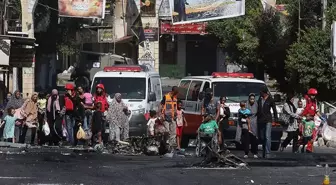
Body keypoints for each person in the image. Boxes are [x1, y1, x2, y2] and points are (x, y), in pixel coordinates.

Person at [257, 87, 278, 159]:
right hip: (260, 120)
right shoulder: (259, 99)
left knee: (267, 136)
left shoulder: (270, 99)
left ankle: (268, 152)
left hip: (268, 120)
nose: (260, 93)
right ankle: (263, 152)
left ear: (264, 92)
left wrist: (276, 118)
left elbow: (274, 110)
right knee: (262, 137)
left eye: (261, 92)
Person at [301, 88, 319, 153]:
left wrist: (321, 117)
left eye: (314, 95)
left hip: (311, 120)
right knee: (304, 135)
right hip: (305, 120)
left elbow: (316, 110)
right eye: (312, 95)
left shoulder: (315, 101)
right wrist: (305, 117)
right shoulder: (304, 100)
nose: (313, 96)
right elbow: (302, 110)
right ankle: (302, 145)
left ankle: (309, 148)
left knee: (312, 135)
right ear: (309, 94)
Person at [161, 86, 179, 150]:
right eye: (176, 92)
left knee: (173, 132)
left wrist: (176, 115)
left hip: (173, 117)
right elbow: (162, 106)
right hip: (166, 117)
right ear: (173, 91)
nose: (177, 94)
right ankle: (166, 143)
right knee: (167, 131)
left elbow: (175, 107)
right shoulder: (166, 97)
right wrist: (162, 115)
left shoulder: (175, 98)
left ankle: (171, 146)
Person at [246, 93, 259, 158]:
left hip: (255, 123)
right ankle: (246, 153)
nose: (252, 100)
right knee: (247, 139)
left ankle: (255, 152)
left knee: (254, 139)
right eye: (251, 99)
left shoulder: (256, 105)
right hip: (247, 122)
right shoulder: (246, 105)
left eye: (253, 99)